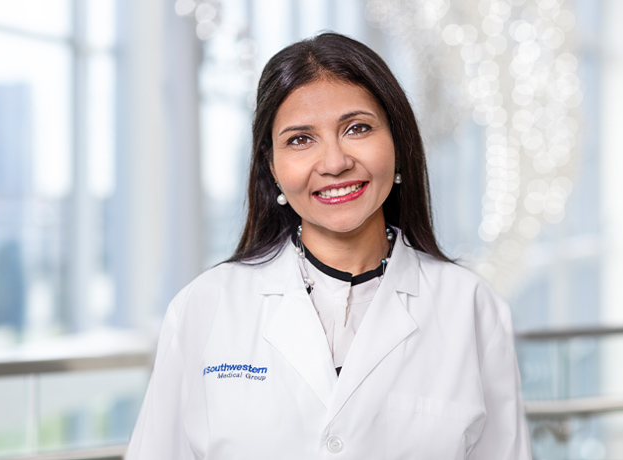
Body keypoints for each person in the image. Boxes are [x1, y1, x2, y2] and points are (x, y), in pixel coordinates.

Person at [126, 32, 531, 459]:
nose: (335, 163)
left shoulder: (471, 307)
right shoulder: (203, 308)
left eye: (357, 128)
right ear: (272, 166)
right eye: (300, 139)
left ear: (397, 143)